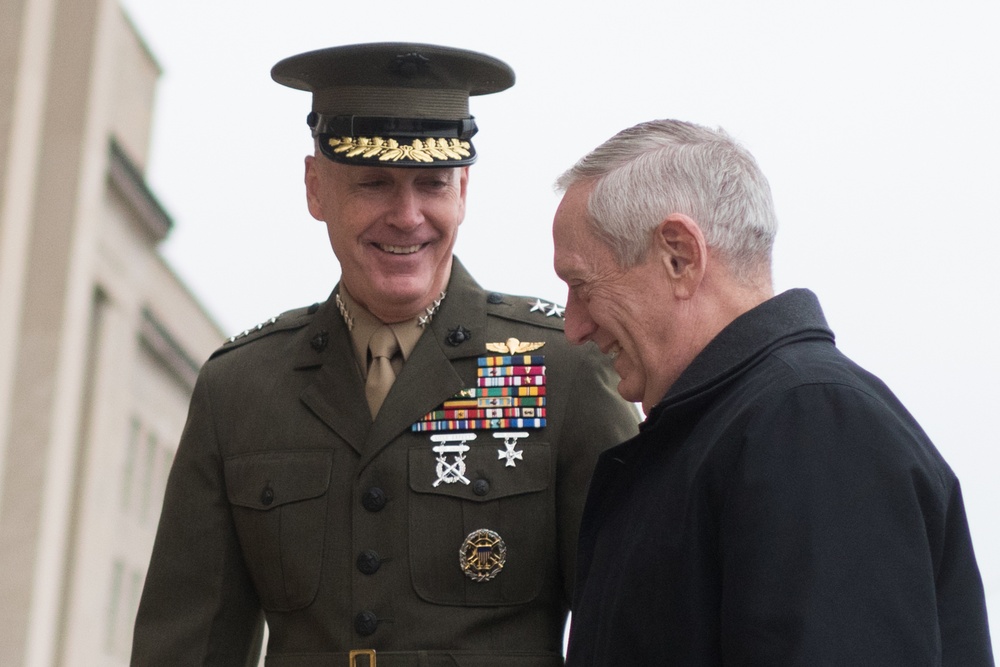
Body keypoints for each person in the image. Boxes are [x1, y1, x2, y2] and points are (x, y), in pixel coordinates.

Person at [130, 43, 638, 666]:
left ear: (464, 190)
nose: (407, 216)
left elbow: (629, 629)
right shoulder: (240, 389)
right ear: (316, 188)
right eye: (374, 183)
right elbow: (184, 647)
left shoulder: (563, 370)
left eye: (432, 184)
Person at [552, 119, 994, 665]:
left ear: (679, 256)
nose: (573, 327)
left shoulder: (811, 427)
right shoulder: (740, 430)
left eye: (581, 285)